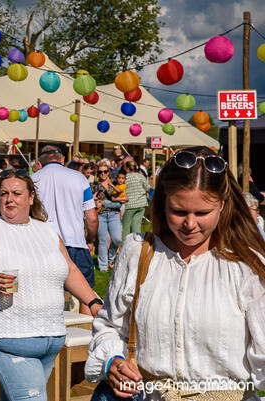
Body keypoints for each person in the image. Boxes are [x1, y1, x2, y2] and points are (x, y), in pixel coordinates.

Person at [85, 147, 265, 400]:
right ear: (162, 203)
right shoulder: (138, 251)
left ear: (223, 205)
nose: (190, 224)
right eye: (179, 212)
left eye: (202, 213)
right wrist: (113, 360)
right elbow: (110, 326)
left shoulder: (245, 263)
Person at [0, 169, 103, 401]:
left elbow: (70, 270)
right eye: (4, 194)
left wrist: (92, 302)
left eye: (16, 193)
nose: (9, 199)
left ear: (31, 197)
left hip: (50, 336)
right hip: (7, 337)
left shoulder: (48, 230)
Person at [32, 145, 98, 315]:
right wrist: (90, 239)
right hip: (75, 243)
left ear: (39, 163)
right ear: (62, 160)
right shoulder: (79, 178)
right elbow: (91, 217)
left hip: (43, 245)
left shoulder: (32, 180)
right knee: (86, 296)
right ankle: (85, 336)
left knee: (44, 295)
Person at [92, 163, 128, 272]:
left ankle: (110, 258)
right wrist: (97, 203)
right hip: (100, 215)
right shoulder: (94, 186)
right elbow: (92, 203)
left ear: (108, 173)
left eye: (105, 172)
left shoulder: (115, 186)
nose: (102, 174)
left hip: (114, 215)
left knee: (117, 239)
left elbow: (119, 204)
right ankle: (103, 266)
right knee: (103, 241)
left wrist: (104, 202)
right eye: (100, 172)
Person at [121, 160, 149, 238]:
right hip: (141, 204)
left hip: (129, 204)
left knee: (125, 227)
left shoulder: (125, 177)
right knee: (136, 227)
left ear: (126, 168)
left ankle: (124, 246)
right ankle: (136, 246)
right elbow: (147, 188)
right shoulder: (141, 176)